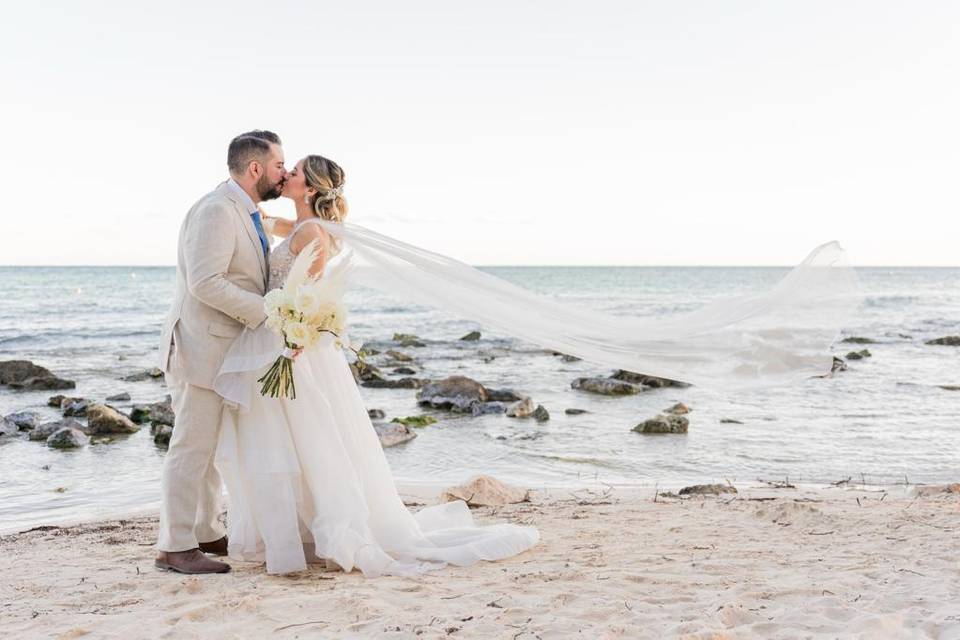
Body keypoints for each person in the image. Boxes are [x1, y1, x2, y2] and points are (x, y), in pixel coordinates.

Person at [155, 130, 287, 574]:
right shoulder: (216, 210)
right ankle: (174, 546)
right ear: (255, 169)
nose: (283, 173)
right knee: (191, 447)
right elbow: (205, 282)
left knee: (207, 448)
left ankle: (206, 532)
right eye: (278, 165)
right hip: (200, 346)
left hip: (220, 348)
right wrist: (269, 313)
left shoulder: (244, 211)